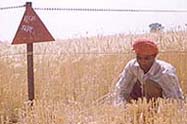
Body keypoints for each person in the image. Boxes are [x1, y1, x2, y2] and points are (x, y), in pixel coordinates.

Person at [113, 39, 184, 106]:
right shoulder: (132, 66)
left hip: (161, 102)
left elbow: (174, 99)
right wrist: (120, 106)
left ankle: (150, 114)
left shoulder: (165, 73)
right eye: (139, 58)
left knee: (149, 84)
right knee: (133, 84)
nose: (142, 62)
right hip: (141, 98)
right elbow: (121, 89)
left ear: (154, 57)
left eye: (147, 58)